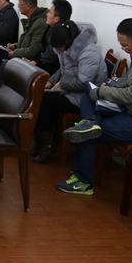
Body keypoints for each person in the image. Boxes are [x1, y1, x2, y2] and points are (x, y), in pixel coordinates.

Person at [58, 19, 132, 196]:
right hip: (131, 111)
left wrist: (102, 91)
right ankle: (90, 122)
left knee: (88, 133)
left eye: (125, 45)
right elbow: (128, 81)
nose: (123, 49)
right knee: (87, 97)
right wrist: (109, 84)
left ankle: (83, 183)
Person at [32, 20, 107, 163]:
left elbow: (84, 83)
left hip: (86, 97)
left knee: (47, 102)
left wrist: (61, 84)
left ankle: (46, 145)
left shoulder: (89, 52)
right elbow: (63, 69)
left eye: (59, 48)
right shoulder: (66, 46)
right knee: (38, 95)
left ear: (68, 41)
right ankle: (40, 140)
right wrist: (51, 82)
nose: (58, 51)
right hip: (70, 89)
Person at [0, 0, 49, 90]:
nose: (18, 5)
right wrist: (14, 46)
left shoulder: (40, 23)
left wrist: (14, 53)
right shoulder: (32, 19)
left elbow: (32, 50)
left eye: (20, 2)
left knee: (1, 62)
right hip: (20, 54)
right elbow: (25, 41)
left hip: (26, 60)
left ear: (28, 5)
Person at [34, 0, 72, 75]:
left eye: (50, 12)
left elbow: (48, 58)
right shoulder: (50, 28)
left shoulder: (59, 35)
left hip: (49, 71)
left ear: (56, 19)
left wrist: (34, 62)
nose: (47, 14)